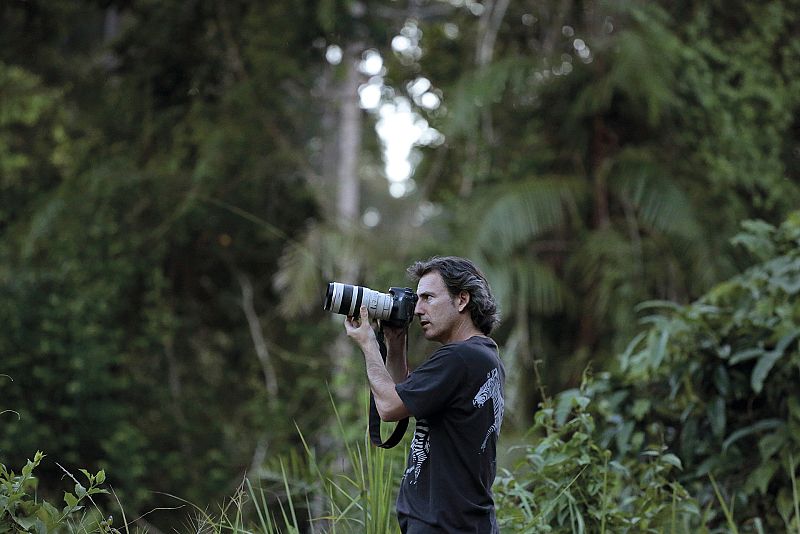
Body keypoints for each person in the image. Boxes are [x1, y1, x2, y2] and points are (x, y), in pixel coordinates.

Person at [344, 256, 505, 533]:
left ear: (461, 300)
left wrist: (369, 343)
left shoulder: (459, 357)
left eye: (428, 298)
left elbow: (388, 407)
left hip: (443, 525)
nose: (418, 309)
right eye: (416, 299)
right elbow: (401, 398)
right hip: (463, 522)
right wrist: (395, 346)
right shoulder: (483, 356)